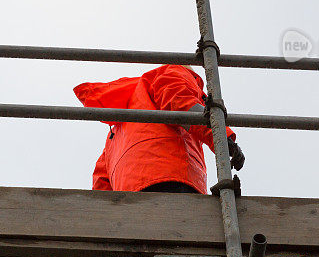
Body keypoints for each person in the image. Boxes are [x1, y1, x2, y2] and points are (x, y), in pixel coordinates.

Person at [73, 64, 244, 194]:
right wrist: (221, 137)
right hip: (172, 177)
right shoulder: (173, 72)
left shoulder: (117, 130)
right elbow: (183, 104)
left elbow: (102, 180)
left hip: (128, 200)